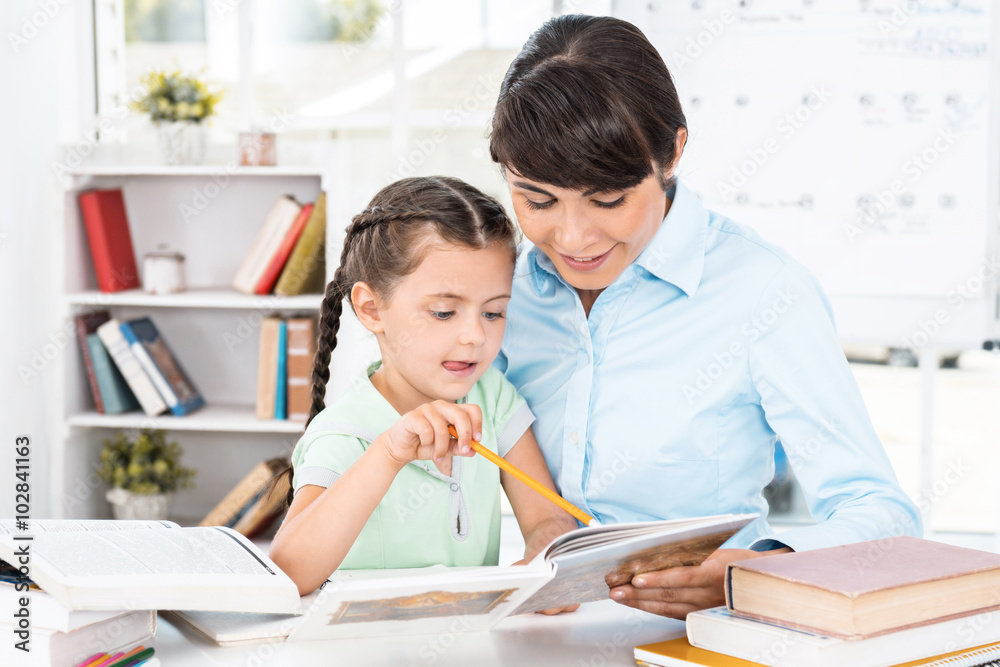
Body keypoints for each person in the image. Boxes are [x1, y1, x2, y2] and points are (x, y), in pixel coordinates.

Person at [488, 14, 922, 619]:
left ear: (672, 152)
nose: (572, 237)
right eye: (536, 200)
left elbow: (883, 514)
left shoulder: (764, 291)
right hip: (537, 633)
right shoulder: (498, 292)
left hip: (708, 639)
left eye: (608, 200)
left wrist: (762, 568)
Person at [268, 176, 579, 607]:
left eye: (494, 312)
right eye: (444, 312)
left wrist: (541, 564)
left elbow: (548, 518)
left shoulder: (492, 398)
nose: (474, 335)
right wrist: (388, 455)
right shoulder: (344, 433)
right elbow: (287, 572)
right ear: (372, 308)